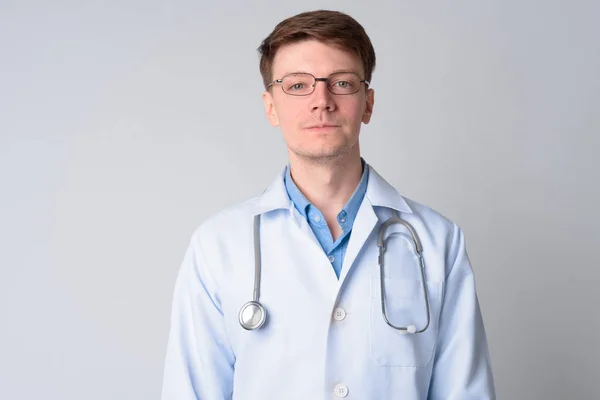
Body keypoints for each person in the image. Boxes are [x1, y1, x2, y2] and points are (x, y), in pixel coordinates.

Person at [161, 9, 496, 400]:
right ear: (271, 106)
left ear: (367, 104)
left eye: (341, 83)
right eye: (298, 86)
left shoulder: (438, 242)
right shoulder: (218, 246)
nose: (322, 101)